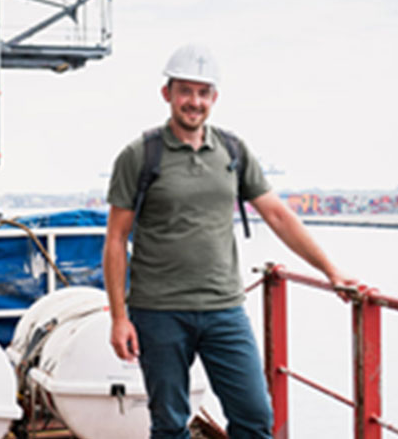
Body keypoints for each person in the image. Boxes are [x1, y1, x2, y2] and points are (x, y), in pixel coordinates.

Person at [103, 44, 357, 439]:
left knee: (255, 416)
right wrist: (119, 318)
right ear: (167, 93)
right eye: (185, 91)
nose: (194, 102)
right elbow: (116, 239)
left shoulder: (232, 150)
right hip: (159, 311)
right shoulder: (140, 155)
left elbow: (278, 215)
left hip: (224, 309)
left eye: (203, 93)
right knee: (169, 424)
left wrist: (331, 271)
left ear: (214, 98)